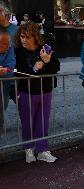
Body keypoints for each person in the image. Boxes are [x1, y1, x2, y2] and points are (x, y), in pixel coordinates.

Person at [15, 22, 60, 163]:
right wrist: (33, 69)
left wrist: (47, 61)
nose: (23, 40)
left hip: (45, 90)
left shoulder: (45, 48)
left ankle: (42, 150)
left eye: (27, 37)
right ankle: (28, 149)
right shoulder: (18, 51)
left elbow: (56, 67)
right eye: (22, 36)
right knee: (27, 122)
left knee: (42, 121)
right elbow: (17, 72)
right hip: (26, 92)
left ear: (35, 37)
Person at [0, 1, 17, 103]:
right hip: (1, 81)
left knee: (26, 110)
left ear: (6, 13)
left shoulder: (17, 31)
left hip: (17, 78)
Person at [0, 27, 15, 136]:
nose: (9, 46)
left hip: (3, 89)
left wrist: (4, 71)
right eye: (5, 43)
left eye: (9, 43)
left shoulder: (9, 48)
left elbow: (10, 67)